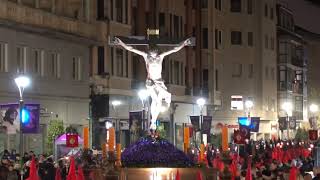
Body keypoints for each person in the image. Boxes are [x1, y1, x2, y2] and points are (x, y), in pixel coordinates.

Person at [115, 37, 191, 130]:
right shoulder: (146, 56)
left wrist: (183, 44)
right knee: (155, 100)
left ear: (157, 52)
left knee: (158, 101)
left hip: (159, 82)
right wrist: (121, 43)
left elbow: (173, 50)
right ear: (150, 53)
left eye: (155, 55)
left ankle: (153, 121)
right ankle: (153, 121)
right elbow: (132, 49)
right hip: (151, 82)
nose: (153, 57)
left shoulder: (161, 57)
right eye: (152, 55)